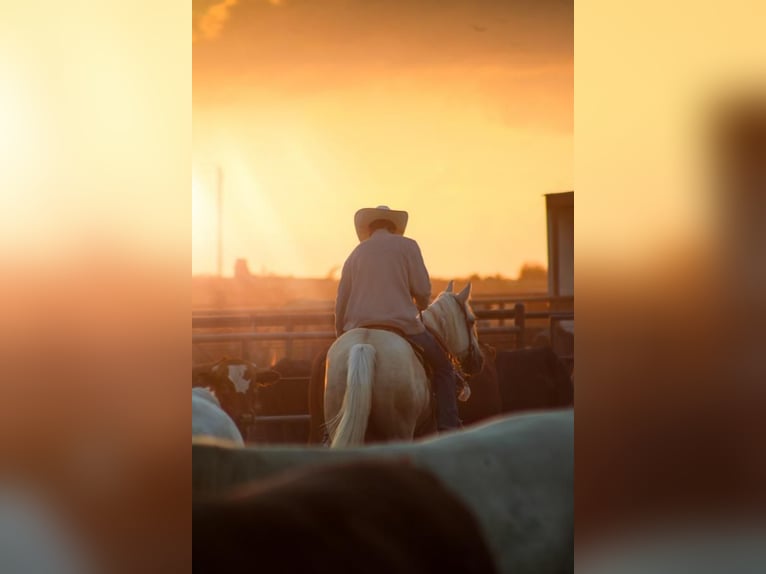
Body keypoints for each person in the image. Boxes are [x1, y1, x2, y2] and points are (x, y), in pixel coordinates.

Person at [334, 205, 461, 431]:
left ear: (369, 228)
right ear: (394, 227)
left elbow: (341, 300)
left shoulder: (355, 253)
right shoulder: (408, 246)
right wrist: (422, 306)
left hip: (356, 328)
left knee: (322, 368)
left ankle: (324, 435)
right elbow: (422, 290)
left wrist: (340, 334)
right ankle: (448, 427)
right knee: (444, 368)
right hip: (402, 326)